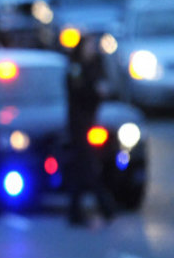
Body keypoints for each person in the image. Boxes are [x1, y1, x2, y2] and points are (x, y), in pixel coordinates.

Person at [65, 35, 115, 226]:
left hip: (91, 122)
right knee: (87, 167)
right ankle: (105, 206)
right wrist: (95, 91)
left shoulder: (95, 66)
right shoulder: (76, 68)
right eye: (89, 45)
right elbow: (79, 93)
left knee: (83, 169)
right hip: (79, 124)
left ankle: (75, 211)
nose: (92, 49)